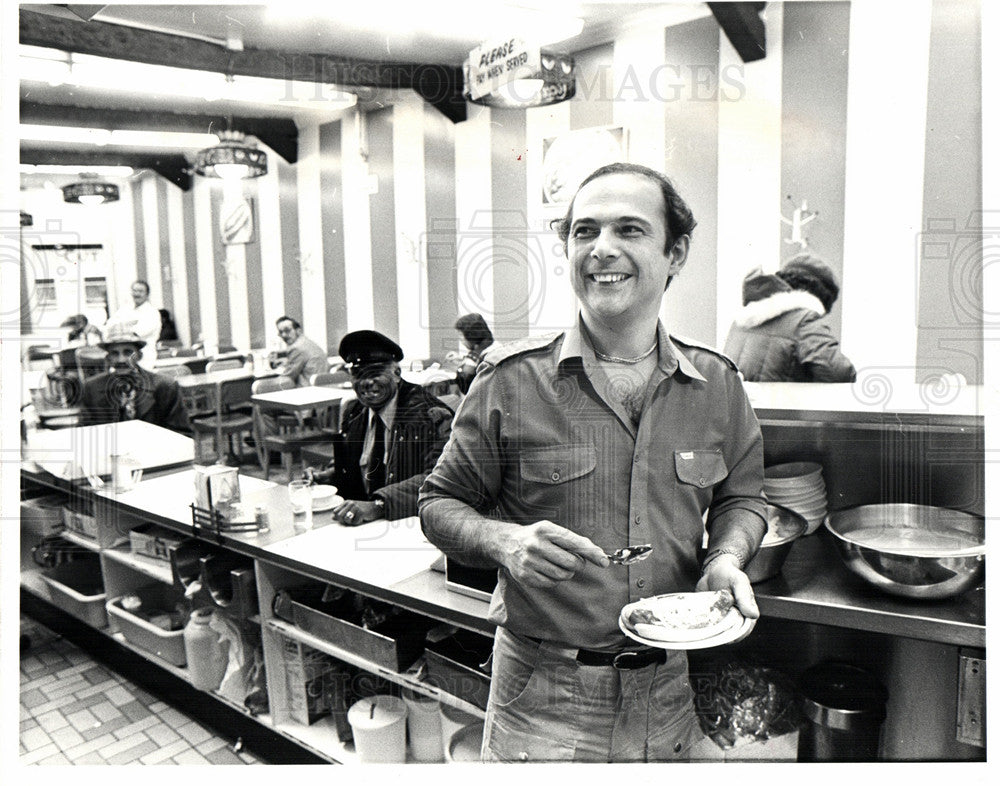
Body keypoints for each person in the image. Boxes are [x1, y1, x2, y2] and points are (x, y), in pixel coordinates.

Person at [419, 163, 767, 763]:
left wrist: (727, 557)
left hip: (670, 690)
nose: (601, 249)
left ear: (675, 252)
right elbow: (437, 502)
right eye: (584, 232)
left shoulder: (716, 384)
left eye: (629, 230)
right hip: (542, 695)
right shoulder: (511, 381)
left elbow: (743, 497)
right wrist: (503, 541)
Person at [307, 330, 453, 526]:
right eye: (358, 374)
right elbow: (360, 463)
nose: (367, 382)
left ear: (397, 373)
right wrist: (329, 475)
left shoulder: (430, 414)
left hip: (410, 524)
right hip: (360, 524)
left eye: (375, 373)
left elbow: (440, 478)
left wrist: (379, 505)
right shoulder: (354, 412)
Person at [722, 255, 856, 382]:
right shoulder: (803, 321)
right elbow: (840, 373)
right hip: (779, 405)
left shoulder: (742, 320)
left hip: (743, 405)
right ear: (821, 296)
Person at [78, 326, 189, 433]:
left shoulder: (165, 386)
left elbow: (181, 432)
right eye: (114, 353)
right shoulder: (91, 388)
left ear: (139, 356)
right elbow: (86, 432)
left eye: (128, 353)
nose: (121, 360)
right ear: (108, 358)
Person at [104, 280, 161, 369]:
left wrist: (121, 327)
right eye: (134, 291)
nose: (137, 294)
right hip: (120, 354)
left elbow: (136, 334)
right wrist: (127, 326)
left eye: (140, 291)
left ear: (147, 294)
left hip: (143, 356)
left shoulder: (152, 313)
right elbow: (108, 326)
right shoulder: (125, 309)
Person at [270, 316, 328, 387]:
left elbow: (287, 377)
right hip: (322, 388)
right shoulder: (307, 342)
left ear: (298, 331)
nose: (284, 335)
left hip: (307, 390)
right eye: (280, 332)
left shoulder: (296, 348)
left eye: (287, 330)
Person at [453, 312, 494, 394]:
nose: (460, 340)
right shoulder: (493, 347)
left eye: (461, 335)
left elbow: (465, 387)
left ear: (471, 335)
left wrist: (458, 368)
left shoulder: (479, 357)